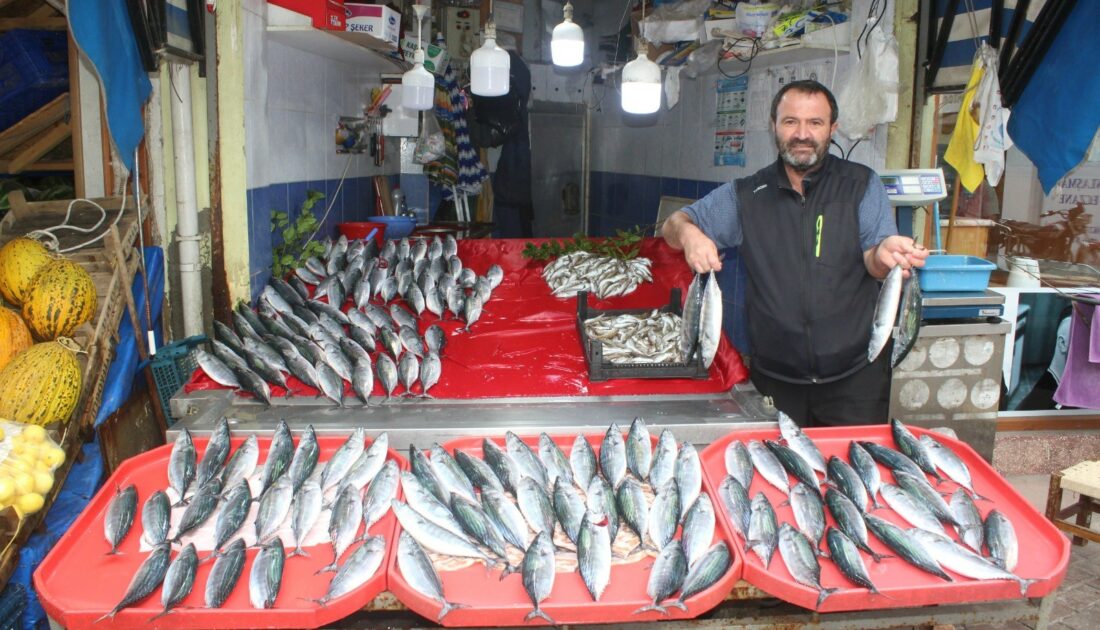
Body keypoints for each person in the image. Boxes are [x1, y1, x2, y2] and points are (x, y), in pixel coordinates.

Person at [662, 80, 928, 427]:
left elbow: (874, 262)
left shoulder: (861, 185)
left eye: (815, 123)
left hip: (855, 380)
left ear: (832, 129)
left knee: (853, 477)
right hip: (775, 381)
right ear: (773, 125)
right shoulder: (747, 194)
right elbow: (672, 225)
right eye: (791, 122)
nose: (802, 134)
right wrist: (690, 233)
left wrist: (885, 254)